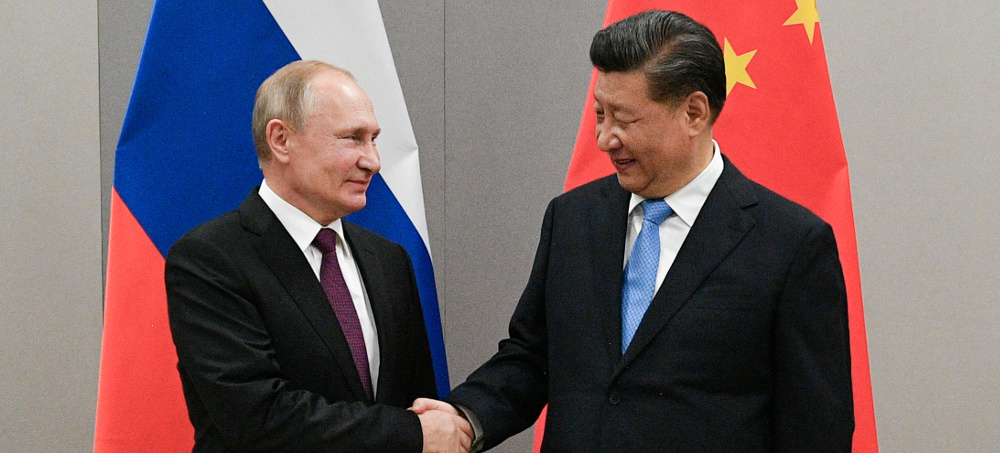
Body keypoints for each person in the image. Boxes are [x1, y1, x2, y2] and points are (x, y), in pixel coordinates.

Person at [413, 10, 854, 452]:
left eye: (623, 120)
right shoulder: (573, 218)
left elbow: (816, 429)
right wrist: (465, 419)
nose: (605, 138)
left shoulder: (790, 243)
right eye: (600, 114)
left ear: (694, 113)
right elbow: (533, 356)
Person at [166, 60, 471, 453]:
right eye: (352, 138)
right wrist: (412, 435)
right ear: (281, 140)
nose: (373, 160)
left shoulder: (388, 259)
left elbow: (414, 400)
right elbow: (259, 418)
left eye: (374, 138)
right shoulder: (210, 259)